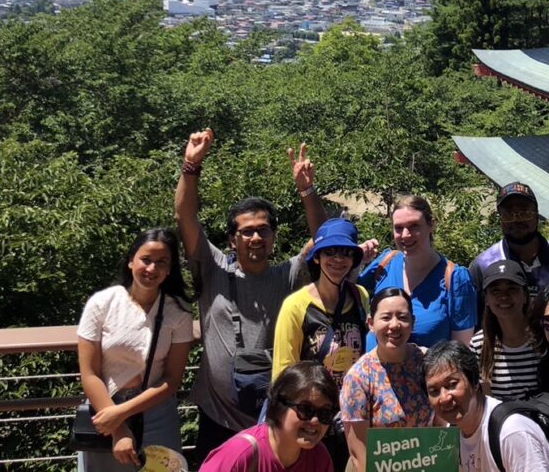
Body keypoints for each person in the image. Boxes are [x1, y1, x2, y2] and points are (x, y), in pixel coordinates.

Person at [176, 130, 327, 458]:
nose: (255, 237)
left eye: (263, 230)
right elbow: (185, 218)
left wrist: (308, 190)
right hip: (217, 418)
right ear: (232, 240)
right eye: (246, 231)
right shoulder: (213, 268)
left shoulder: (289, 275)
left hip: (273, 417)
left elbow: (326, 240)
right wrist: (191, 166)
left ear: (273, 236)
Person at [77, 229, 195, 470]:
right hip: (104, 408)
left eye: (161, 262)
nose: (152, 268)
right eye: (146, 260)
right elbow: (89, 373)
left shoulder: (178, 313)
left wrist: (121, 414)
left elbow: (172, 380)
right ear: (131, 260)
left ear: (170, 269)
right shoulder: (102, 303)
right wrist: (117, 427)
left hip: (157, 413)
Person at [273, 218, 369, 472]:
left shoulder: (360, 297)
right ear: (316, 257)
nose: (338, 260)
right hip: (312, 420)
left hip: (352, 417)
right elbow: (283, 373)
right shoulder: (296, 306)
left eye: (346, 253)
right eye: (330, 252)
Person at [424, 340, 549, 472]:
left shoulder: (511, 431)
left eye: (452, 384)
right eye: (434, 391)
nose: (444, 398)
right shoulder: (455, 436)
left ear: (475, 382)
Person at [357, 195, 476, 347]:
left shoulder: (455, 279)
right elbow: (344, 296)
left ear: (431, 224)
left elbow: (460, 351)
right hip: (371, 369)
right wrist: (355, 260)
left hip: (426, 370)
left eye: (414, 226)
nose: (406, 235)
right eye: (398, 228)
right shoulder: (385, 263)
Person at [340, 289, 434, 472]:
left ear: (413, 323)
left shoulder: (427, 361)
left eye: (402, 317)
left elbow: (439, 426)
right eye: (386, 317)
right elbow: (360, 454)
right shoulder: (359, 377)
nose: (394, 325)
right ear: (371, 323)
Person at [200, 361, 338, 472]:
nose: (315, 420)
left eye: (324, 413)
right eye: (306, 409)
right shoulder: (239, 455)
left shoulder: (319, 457)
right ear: (279, 405)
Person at [469, 182, 549, 308]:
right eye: (508, 214)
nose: (517, 219)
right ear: (500, 220)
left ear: (536, 215)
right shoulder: (483, 265)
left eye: (524, 212)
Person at [471, 259, 542, 400]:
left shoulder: (542, 337)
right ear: (486, 299)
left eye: (512, 289)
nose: (504, 296)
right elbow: (487, 402)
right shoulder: (479, 345)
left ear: (525, 296)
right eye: (495, 291)